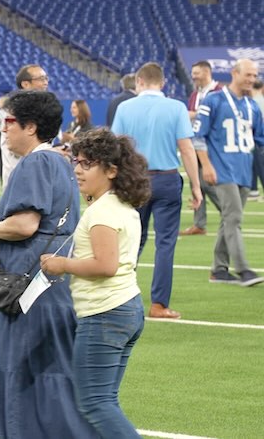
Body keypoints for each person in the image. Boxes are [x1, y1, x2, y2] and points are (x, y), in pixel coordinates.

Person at [0, 90, 96, 438]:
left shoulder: (37, 162)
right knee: (50, 376)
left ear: (31, 127)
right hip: (47, 284)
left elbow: (24, 224)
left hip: (27, 287)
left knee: (28, 377)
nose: (4, 130)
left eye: (10, 122)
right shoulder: (58, 160)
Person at [41, 128, 151, 439]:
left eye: (87, 164)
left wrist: (62, 264)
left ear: (111, 170)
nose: (77, 169)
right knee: (105, 400)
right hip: (125, 308)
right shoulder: (117, 204)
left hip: (105, 313)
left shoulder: (103, 210)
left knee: (95, 403)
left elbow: (105, 265)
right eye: (76, 161)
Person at [111, 63, 202, 319]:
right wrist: (196, 187)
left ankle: (117, 297)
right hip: (167, 180)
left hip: (133, 180)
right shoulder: (176, 107)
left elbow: (116, 150)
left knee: (130, 241)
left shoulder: (125, 107)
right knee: (165, 244)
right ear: (162, 83)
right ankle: (159, 304)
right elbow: (186, 149)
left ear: (138, 81)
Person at [193, 58, 264, 286]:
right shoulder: (214, 100)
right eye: (248, 75)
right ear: (234, 73)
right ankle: (244, 270)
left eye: (254, 76)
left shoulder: (252, 106)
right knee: (234, 218)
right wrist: (207, 165)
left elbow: (259, 139)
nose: (252, 80)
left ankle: (219, 269)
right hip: (222, 169)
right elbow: (198, 136)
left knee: (228, 220)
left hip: (244, 170)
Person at [181, 61, 224, 236]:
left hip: (212, 144)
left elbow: (219, 115)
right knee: (195, 181)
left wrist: (195, 114)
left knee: (207, 182)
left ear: (207, 72)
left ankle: (228, 211)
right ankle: (199, 223)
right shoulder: (194, 94)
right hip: (194, 143)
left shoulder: (219, 92)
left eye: (196, 72)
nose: (193, 76)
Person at [0, 64, 49, 185]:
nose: (45, 83)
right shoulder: (13, 112)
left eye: (46, 78)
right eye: (41, 79)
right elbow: (19, 147)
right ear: (25, 84)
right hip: (21, 181)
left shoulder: (45, 108)